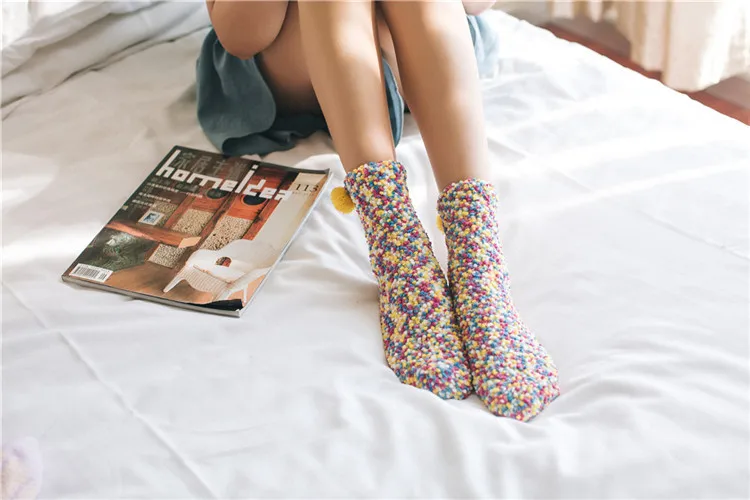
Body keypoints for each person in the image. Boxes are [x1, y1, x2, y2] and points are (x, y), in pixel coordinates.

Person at [196, 0, 559, 421]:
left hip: (416, 44)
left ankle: (477, 258)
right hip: (286, 60)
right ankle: (398, 245)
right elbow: (241, 37)